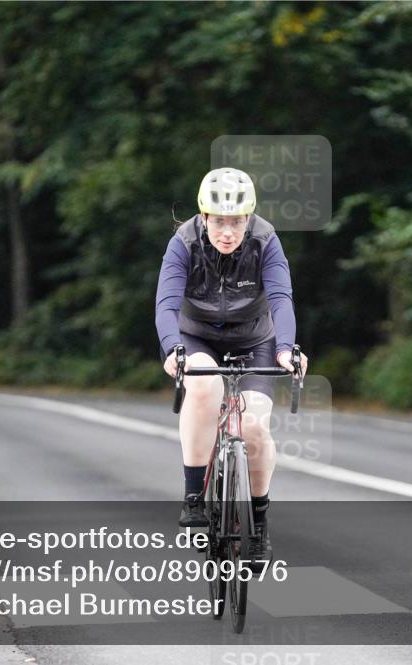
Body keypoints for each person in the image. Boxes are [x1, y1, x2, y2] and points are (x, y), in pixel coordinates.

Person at [155, 167, 309, 562]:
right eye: (219, 222)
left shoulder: (265, 239)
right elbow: (167, 304)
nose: (227, 232)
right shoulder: (184, 242)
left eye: (236, 222)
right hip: (196, 336)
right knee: (204, 388)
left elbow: (281, 299)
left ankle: (258, 525)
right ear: (204, 217)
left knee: (255, 427)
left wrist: (286, 349)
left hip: (255, 338)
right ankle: (193, 498)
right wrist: (173, 348)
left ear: (248, 219)